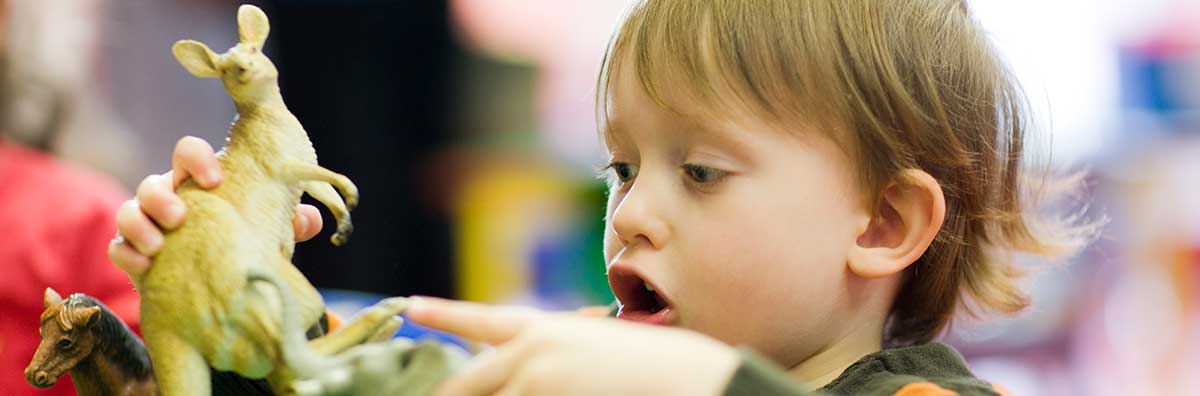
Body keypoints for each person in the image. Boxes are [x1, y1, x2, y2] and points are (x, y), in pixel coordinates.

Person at [109, 1, 1098, 395]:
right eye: (622, 170)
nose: (628, 215)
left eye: (700, 172)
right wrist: (237, 297)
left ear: (882, 224)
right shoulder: (590, 360)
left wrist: (701, 388)